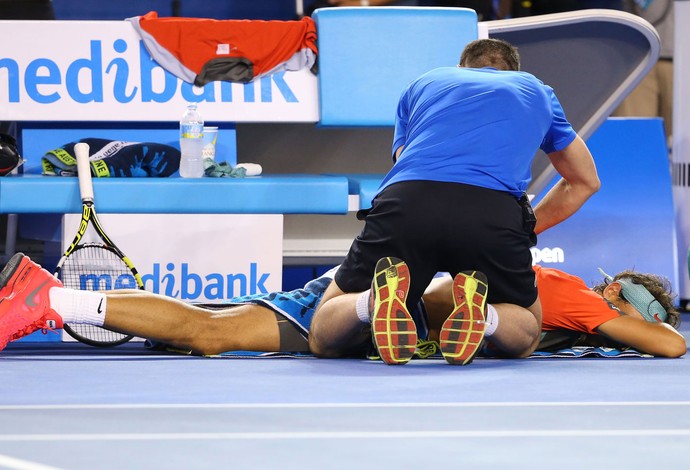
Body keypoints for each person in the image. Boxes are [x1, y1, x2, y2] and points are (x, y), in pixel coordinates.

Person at [307, 38, 601, 366]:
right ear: (513, 72)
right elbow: (585, 182)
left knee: (323, 336)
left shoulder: (423, 83)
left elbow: (405, 163)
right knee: (527, 332)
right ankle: (485, 316)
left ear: (461, 67)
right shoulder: (535, 90)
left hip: (409, 202)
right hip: (492, 214)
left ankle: (375, 302)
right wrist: (525, 229)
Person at [0, 252, 685, 358]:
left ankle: (41, 289)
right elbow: (670, 345)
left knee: (192, 320)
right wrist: (644, 326)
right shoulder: (574, 300)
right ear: (615, 296)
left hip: (378, 281)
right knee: (206, 333)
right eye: (637, 307)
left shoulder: (540, 275)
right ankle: (49, 296)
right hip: (368, 301)